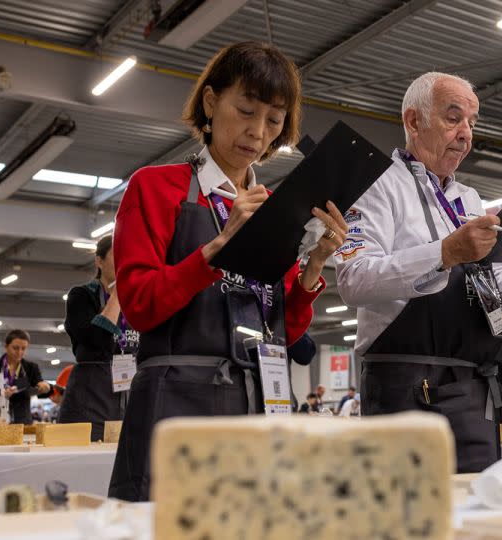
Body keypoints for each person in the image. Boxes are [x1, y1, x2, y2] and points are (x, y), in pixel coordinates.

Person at [108, 41, 345, 502]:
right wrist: (215, 249)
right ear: (212, 103)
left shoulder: (274, 209)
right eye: (246, 110)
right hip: (177, 407)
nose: (257, 132)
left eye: (273, 121)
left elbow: (283, 331)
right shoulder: (156, 187)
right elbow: (137, 306)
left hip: (259, 405)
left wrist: (313, 267)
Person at [336, 72, 502, 473]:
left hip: (475, 389)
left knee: (476, 513)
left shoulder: (468, 199)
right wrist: (445, 252)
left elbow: (491, 285)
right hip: (404, 387)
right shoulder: (377, 185)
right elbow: (354, 279)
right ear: (414, 121)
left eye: (472, 122)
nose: (466, 133)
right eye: (454, 118)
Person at [59, 235, 137, 441]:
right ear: (99, 260)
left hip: (127, 392)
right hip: (89, 394)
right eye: (117, 253)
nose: (124, 259)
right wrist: (119, 292)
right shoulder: (82, 296)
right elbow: (95, 337)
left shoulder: (137, 299)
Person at [0, 330, 51, 424]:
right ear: (6, 346)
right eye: (15, 348)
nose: (19, 352)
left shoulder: (31, 368)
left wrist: (45, 386)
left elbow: (40, 384)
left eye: (23, 348)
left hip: (22, 421)